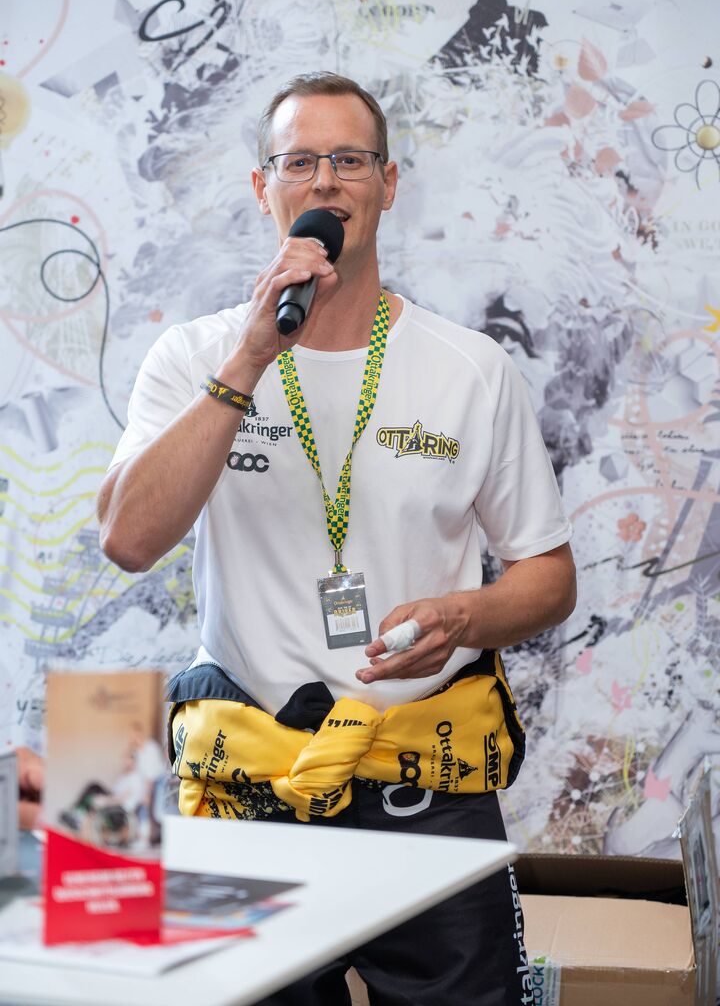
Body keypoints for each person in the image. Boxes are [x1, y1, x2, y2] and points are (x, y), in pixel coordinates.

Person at [97, 72, 576, 1005]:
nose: (324, 181)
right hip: (251, 792)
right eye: (299, 161)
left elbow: (549, 577)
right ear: (262, 187)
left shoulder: (472, 370)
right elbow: (126, 539)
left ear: (388, 184)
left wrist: (466, 615)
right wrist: (249, 358)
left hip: (426, 788)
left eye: (349, 160)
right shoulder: (194, 357)